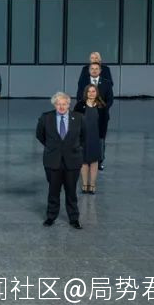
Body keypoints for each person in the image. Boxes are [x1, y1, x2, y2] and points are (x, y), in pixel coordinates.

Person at [36, 92, 84, 229]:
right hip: (53, 160)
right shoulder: (46, 118)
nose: (61, 107)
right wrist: (52, 147)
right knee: (53, 191)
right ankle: (51, 216)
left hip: (72, 160)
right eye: (58, 104)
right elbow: (40, 135)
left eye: (64, 104)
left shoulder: (79, 118)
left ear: (69, 104)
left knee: (71, 191)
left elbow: (83, 136)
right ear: (54, 105)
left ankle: (74, 218)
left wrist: (74, 147)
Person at [77, 62, 114, 169]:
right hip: (86, 113)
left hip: (101, 115)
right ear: (89, 70)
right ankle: (84, 159)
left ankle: (99, 161)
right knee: (85, 137)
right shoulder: (83, 82)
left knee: (100, 139)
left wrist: (102, 108)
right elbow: (79, 96)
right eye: (92, 68)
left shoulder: (107, 83)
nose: (94, 70)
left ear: (100, 71)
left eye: (96, 68)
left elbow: (110, 100)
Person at [74, 84, 107, 195]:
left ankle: (92, 185)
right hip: (83, 137)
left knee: (94, 161)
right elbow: (75, 121)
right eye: (89, 91)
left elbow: (104, 123)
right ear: (86, 93)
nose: (91, 93)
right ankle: (85, 184)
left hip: (96, 137)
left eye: (93, 91)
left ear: (97, 92)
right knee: (83, 161)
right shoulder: (80, 105)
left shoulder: (102, 106)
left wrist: (102, 136)